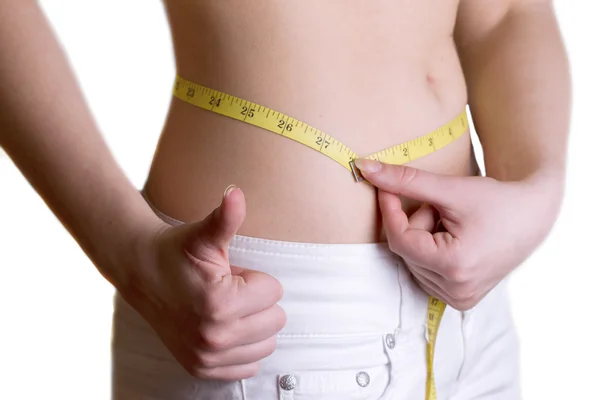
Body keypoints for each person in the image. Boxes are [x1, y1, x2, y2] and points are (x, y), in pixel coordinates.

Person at [0, 0, 570, 399]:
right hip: (269, 325)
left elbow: (506, 11)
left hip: (475, 321)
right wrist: (127, 253)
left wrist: (534, 191)